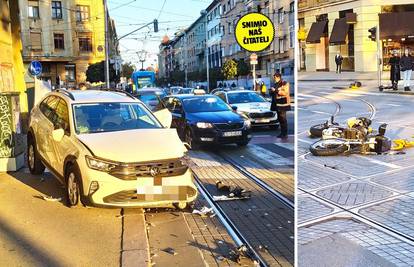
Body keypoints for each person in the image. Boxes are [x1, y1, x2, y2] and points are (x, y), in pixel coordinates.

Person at [270, 73, 291, 139]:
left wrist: (275, 90)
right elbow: (275, 93)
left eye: (275, 78)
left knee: (283, 119)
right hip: (277, 104)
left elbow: (285, 92)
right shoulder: (275, 84)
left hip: (283, 104)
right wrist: (271, 91)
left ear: (278, 77)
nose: (274, 79)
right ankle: (282, 133)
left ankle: (285, 134)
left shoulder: (284, 83)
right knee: (280, 119)